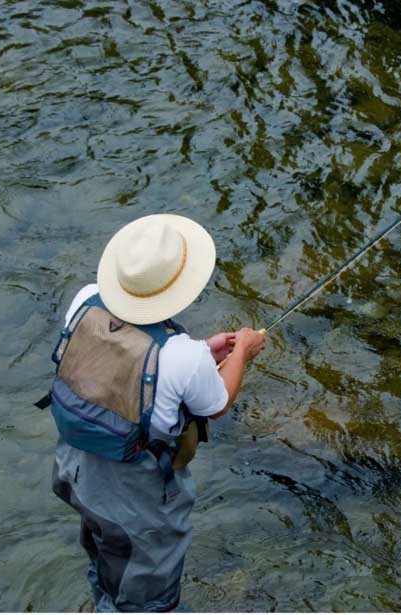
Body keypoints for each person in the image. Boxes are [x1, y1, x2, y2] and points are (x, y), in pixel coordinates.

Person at [41, 214, 266, 612]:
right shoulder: (183, 357)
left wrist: (201, 352)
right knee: (148, 602)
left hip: (77, 474)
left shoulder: (85, 300)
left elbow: (129, 352)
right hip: (134, 505)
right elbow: (218, 402)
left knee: (106, 564)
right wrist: (242, 352)